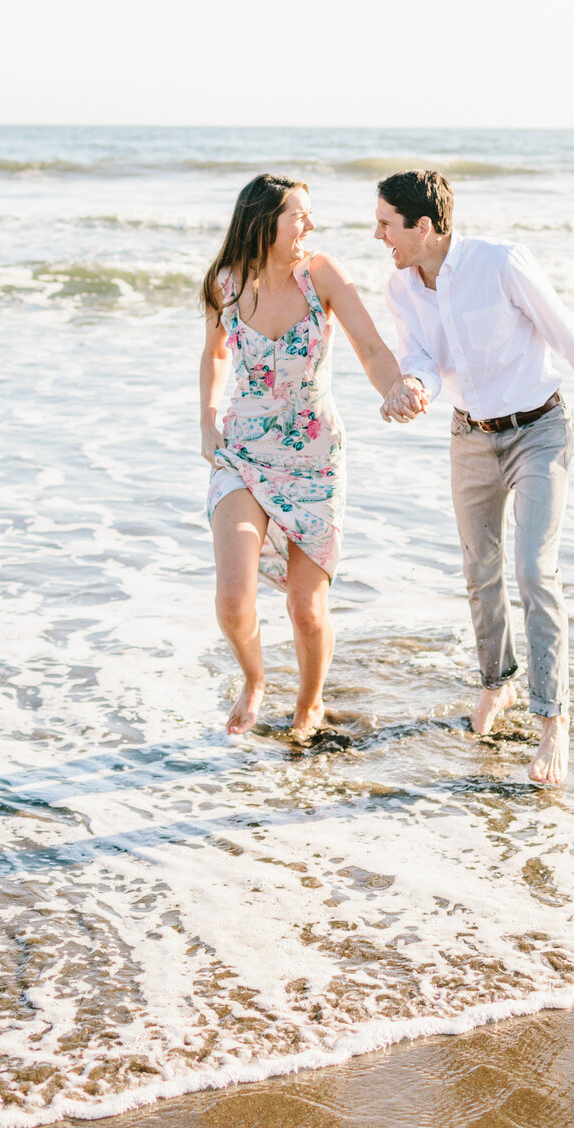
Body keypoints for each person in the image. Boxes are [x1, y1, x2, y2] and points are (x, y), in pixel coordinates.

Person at [375, 169, 574, 787]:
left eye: (386, 223)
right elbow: (423, 360)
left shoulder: (500, 263)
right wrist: (412, 386)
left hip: (540, 429)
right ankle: (499, 685)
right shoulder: (400, 288)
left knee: (533, 571)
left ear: (424, 226)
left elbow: (563, 327)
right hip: (470, 436)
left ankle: (554, 720)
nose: (377, 234)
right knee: (479, 569)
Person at [200, 173, 405, 741]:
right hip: (241, 453)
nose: (310, 225)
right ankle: (255, 679)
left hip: (314, 458)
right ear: (266, 222)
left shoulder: (322, 275)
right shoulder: (228, 283)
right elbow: (215, 354)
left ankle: (309, 704)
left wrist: (395, 388)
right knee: (234, 599)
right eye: (300, 215)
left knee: (306, 609)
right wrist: (206, 421)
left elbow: (370, 347)